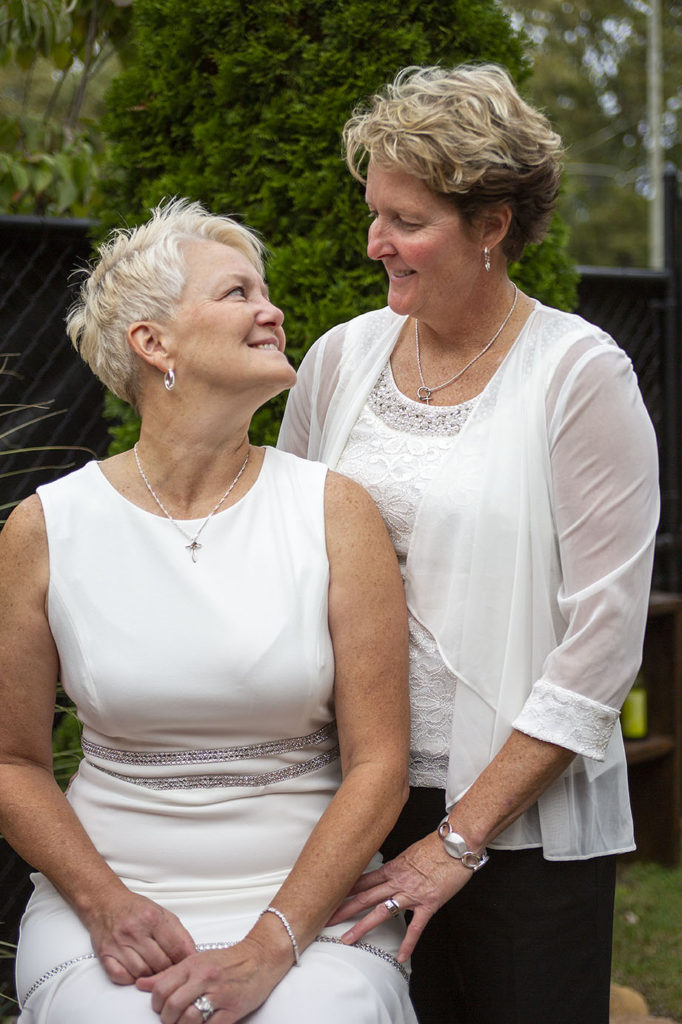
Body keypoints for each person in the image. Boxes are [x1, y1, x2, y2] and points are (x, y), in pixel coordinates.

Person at [277, 64, 660, 1024]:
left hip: (515, 821)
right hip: (347, 800)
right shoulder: (339, 360)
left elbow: (602, 643)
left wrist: (458, 840)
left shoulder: (579, 377)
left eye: (406, 221)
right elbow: (280, 554)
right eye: (375, 214)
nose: (376, 244)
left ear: (491, 226)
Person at [0, 199, 419, 1024]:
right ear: (153, 342)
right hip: (116, 909)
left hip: (312, 909)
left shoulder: (334, 511)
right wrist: (106, 906)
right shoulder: (46, 527)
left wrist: (272, 944)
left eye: (264, 292)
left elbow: (381, 767)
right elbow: (12, 764)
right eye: (237, 294)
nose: (272, 310)